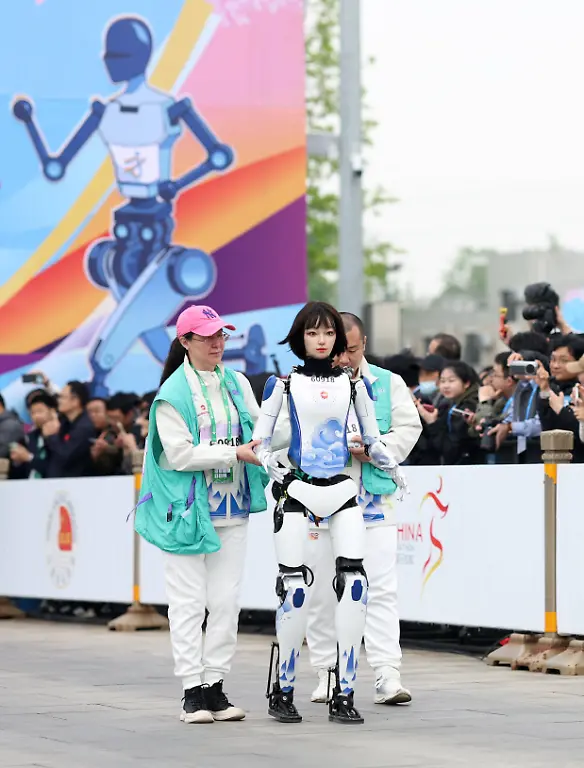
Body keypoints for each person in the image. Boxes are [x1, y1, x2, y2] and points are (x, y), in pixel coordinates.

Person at [252, 302, 407, 725]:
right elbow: (259, 444)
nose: (321, 341)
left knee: (355, 585)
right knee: (295, 588)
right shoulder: (282, 387)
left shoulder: (356, 388)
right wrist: (278, 471)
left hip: (342, 490)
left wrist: (390, 464)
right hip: (298, 489)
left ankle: (346, 691)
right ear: (300, 337)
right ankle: (283, 689)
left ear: (338, 338)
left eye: (327, 333)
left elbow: (373, 439)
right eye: (312, 333)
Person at [135, 305, 284, 725]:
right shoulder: (172, 394)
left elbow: (261, 431)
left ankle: (216, 687)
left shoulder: (236, 382)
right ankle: (191, 691)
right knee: (187, 602)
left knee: (224, 601)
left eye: (221, 335)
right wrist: (233, 452)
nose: (218, 343)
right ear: (185, 342)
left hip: (232, 505)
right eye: (207, 336)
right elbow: (179, 454)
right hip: (186, 512)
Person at [305, 312, 421, 708]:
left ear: (364, 343)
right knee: (321, 589)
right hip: (322, 501)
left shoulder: (388, 384)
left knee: (381, 589)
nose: (346, 358)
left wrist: (374, 448)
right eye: (340, 350)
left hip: (373, 501)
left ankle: (388, 675)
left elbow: (409, 429)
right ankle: (327, 672)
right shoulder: (308, 386)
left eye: (352, 349)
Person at [415, 361, 480, 465]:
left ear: (466, 383)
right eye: (442, 381)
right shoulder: (451, 403)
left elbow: (450, 449)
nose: (445, 386)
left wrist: (432, 422)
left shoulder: (469, 407)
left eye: (451, 381)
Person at [9, 391, 58, 478]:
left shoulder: (61, 435)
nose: (36, 416)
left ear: (52, 411)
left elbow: (55, 469)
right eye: (32, 413)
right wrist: (18, 461)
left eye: (40, 411)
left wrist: (29, 458)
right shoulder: (29, 438)